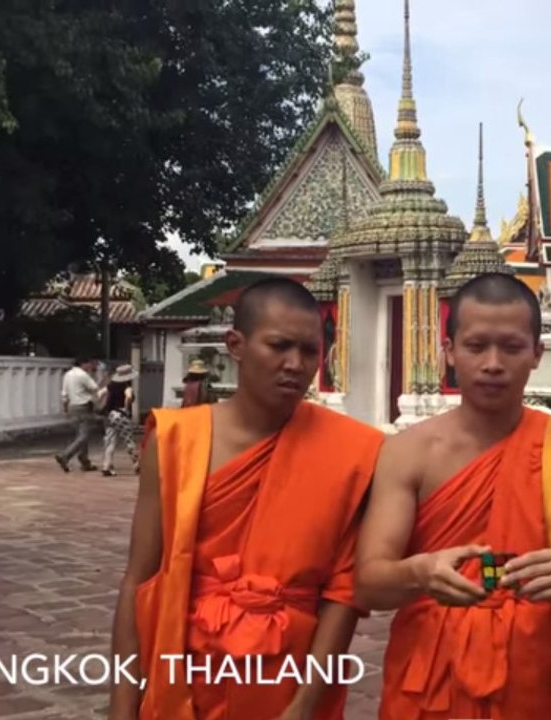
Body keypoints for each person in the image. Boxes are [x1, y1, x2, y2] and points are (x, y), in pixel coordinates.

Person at [354, 272, 551, 720]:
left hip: (542, 673)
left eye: (511, 347)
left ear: (536, 354)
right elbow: (369, 583)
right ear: (448, 353)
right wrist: (419, 572)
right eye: (475, 346)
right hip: (432, 676)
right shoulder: (406, 452)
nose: (492, 363)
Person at [108, 277, 385, 720]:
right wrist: (122, 709)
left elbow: (343, 595)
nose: (295, 364)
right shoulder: (178, 439)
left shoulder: (355, 452)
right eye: (279, 346)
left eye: (310, 351)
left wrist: (304, 706)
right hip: (185, 664)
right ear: (236, 345)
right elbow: (140, 581)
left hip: (289, 674)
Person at [56, 356, 100, 473]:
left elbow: (64, 394)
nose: (91, 366)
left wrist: (65, 409)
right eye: (89, 364)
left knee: (80, 434)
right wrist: (94, 375)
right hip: (84, 406)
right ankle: (65, 455)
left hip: (72, 406)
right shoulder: (83, 375)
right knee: (84, 435)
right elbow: (95, 387)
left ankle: (85, 461)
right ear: (83, 364)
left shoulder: (68, 374)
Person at [101, 364, 139, 477]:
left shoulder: (111, 386)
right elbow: (128, 397)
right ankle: (136, 465)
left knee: (110, 441)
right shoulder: (127, 387)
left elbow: (99, 394)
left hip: (110, 415)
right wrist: (126, 409)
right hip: (121, 415)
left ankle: (106, 466)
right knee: (129, 440)